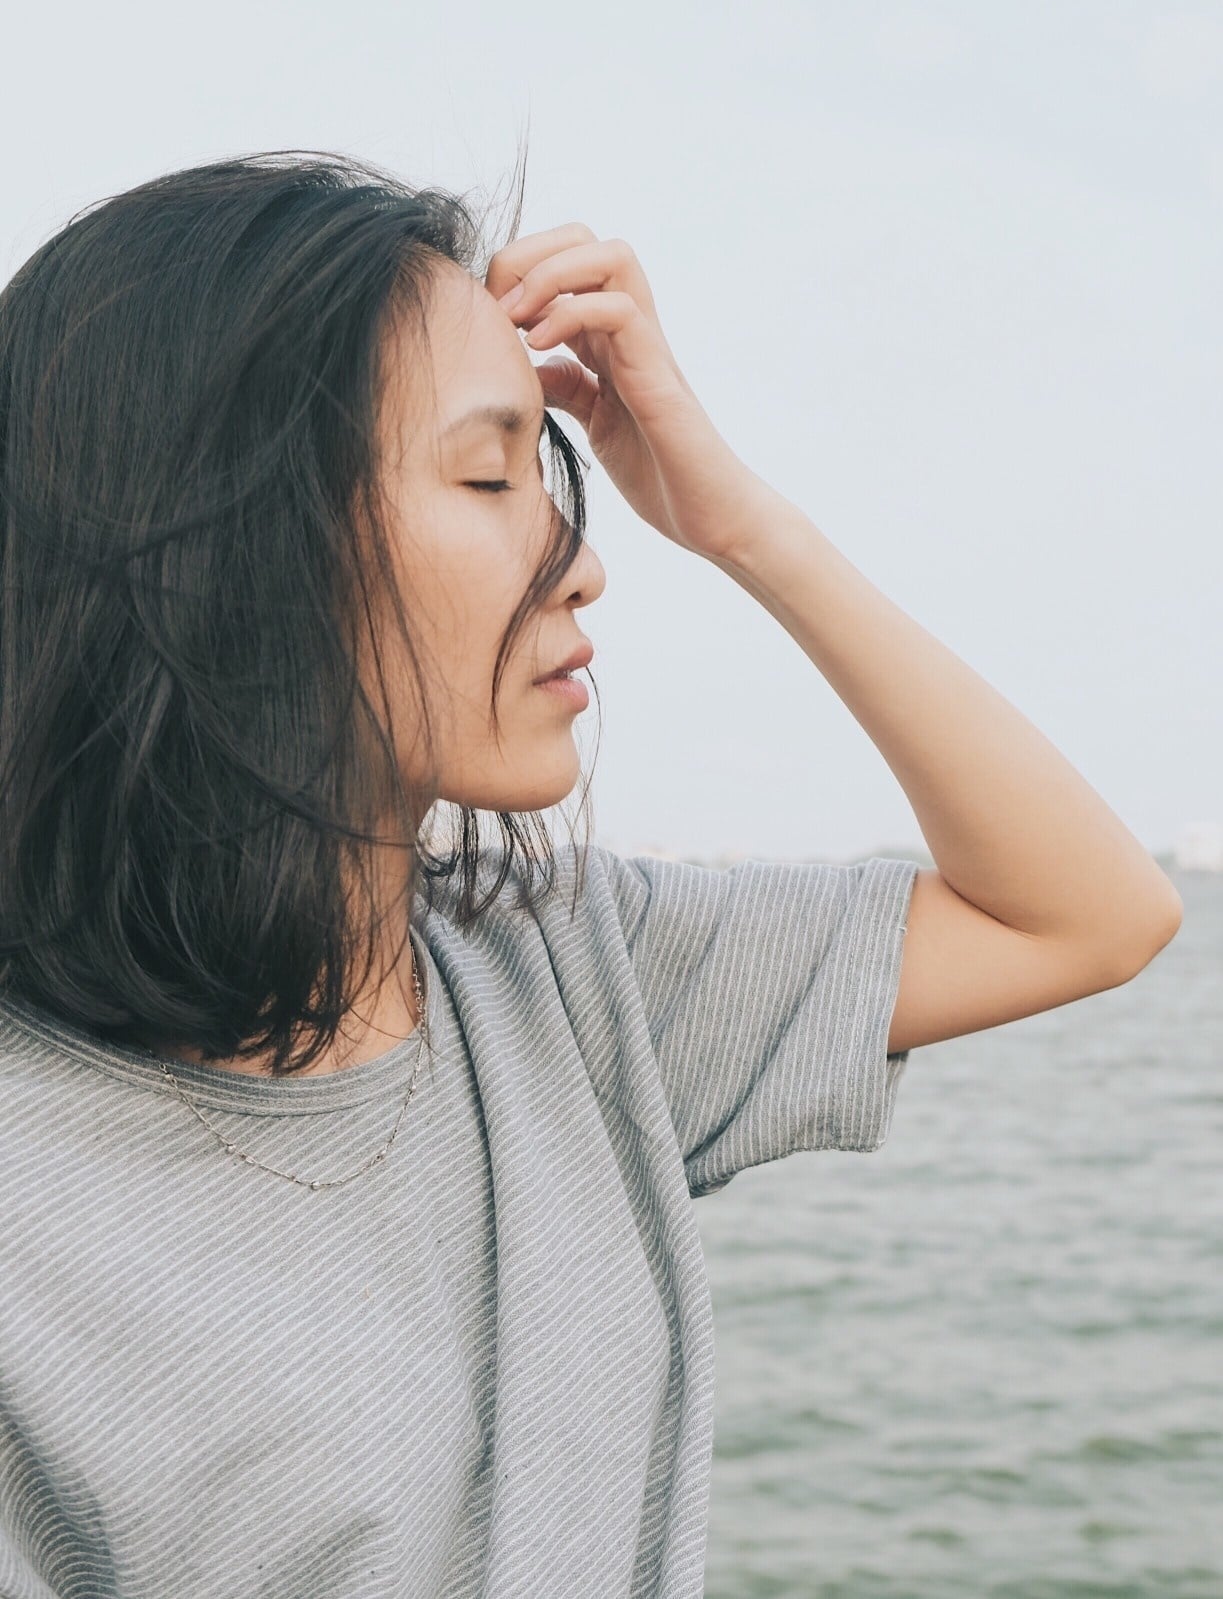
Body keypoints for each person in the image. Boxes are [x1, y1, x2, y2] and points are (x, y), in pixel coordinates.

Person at [0, 148, 1181, 1599]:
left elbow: (1092, 913)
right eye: (489, 473)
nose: (578, 559)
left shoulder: (562, 974)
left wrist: (738, 519)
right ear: (234, 542)